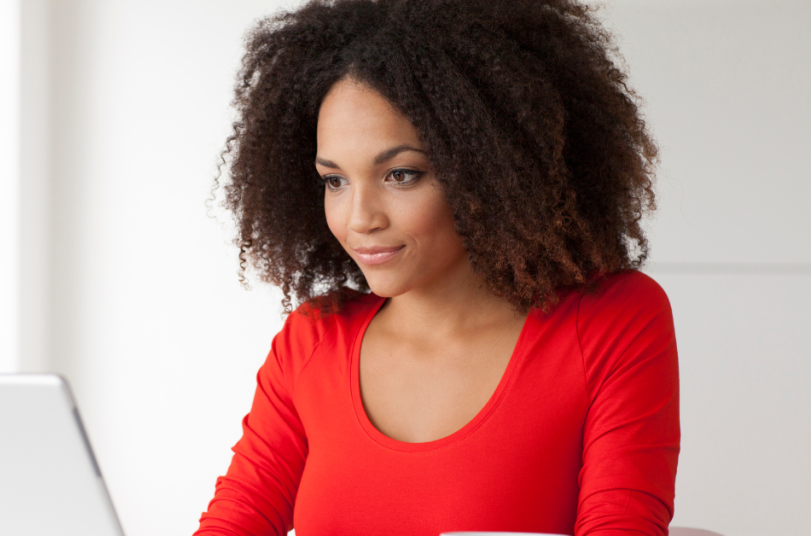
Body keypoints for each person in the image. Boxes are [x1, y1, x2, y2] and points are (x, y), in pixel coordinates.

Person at [197, 0, 679, 534]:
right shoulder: (312, 343)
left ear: (491, 168)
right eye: (335, 181)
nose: (359, 219)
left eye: (401, 175)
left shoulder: (609, 321)